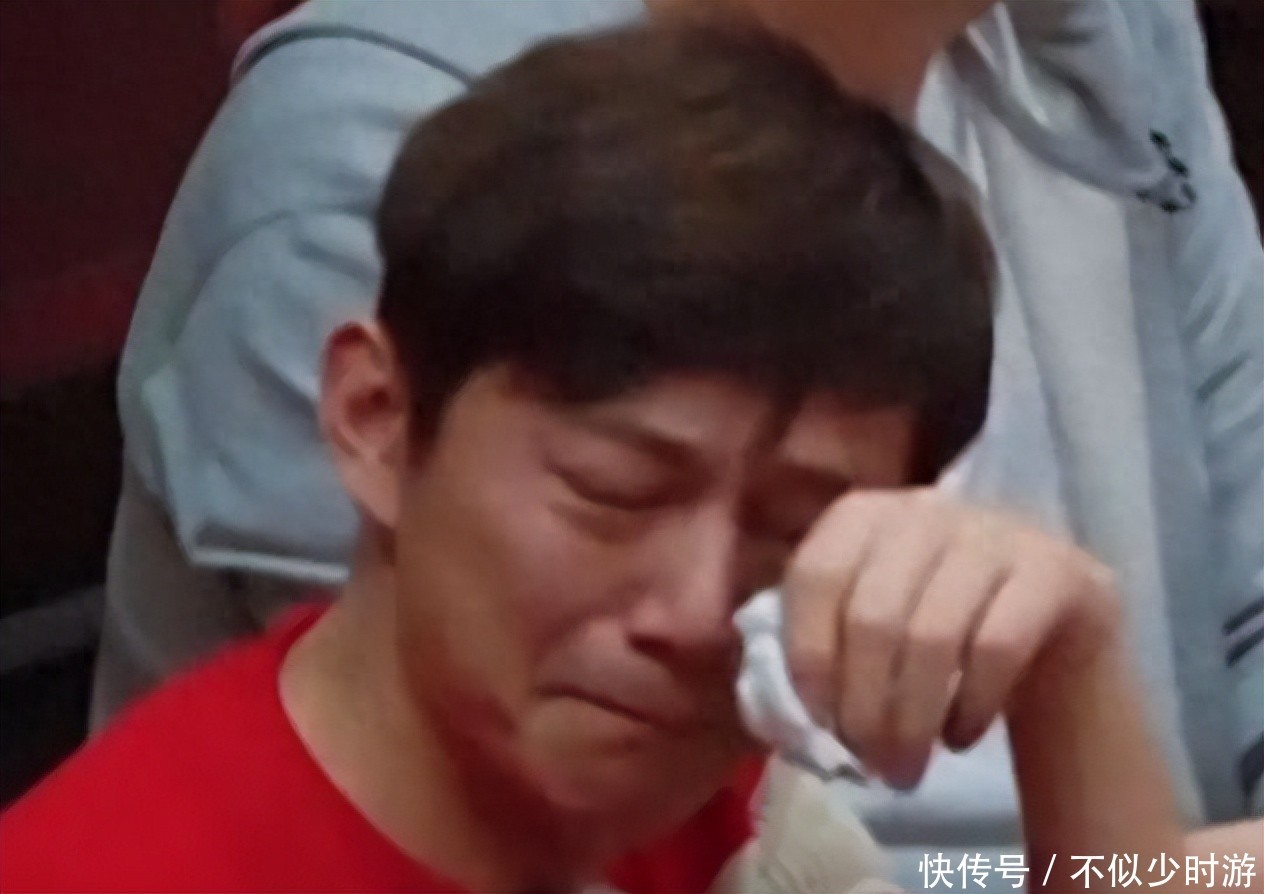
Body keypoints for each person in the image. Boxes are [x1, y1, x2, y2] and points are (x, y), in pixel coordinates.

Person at [0, 24, 1200, 892]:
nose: (693, 610)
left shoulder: (706, 805)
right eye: (614, 494)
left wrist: (1069, 673)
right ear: (376, 417)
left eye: (788, 532)